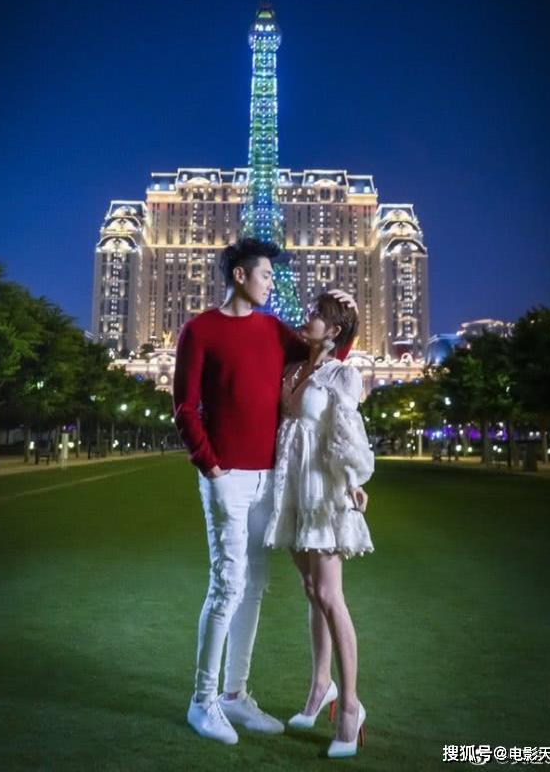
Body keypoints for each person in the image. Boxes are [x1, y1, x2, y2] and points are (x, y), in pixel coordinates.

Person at [173, 238, 356, 746]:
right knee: (227, 586)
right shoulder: (199, 330)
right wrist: (208, 464)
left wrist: (348, 320)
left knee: (253, 587)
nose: (272, 283)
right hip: (225, 477)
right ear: (240, 276)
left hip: (270, 479)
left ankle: (235, 695)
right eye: (266, 275)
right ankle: (203, 701)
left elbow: (327, 363)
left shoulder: (274, 331)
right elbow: (184, 406)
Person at [263, 292, 375, 759]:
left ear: (333, 331)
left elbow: (345, 432)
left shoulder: (342, 374)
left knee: (330, 594)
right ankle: (319, 685)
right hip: (291, 488)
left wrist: (352, 480)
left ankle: (350, 706)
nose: (307, 319)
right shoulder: (292, 369)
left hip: (322, 489)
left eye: (317, 315)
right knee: (311, 589)